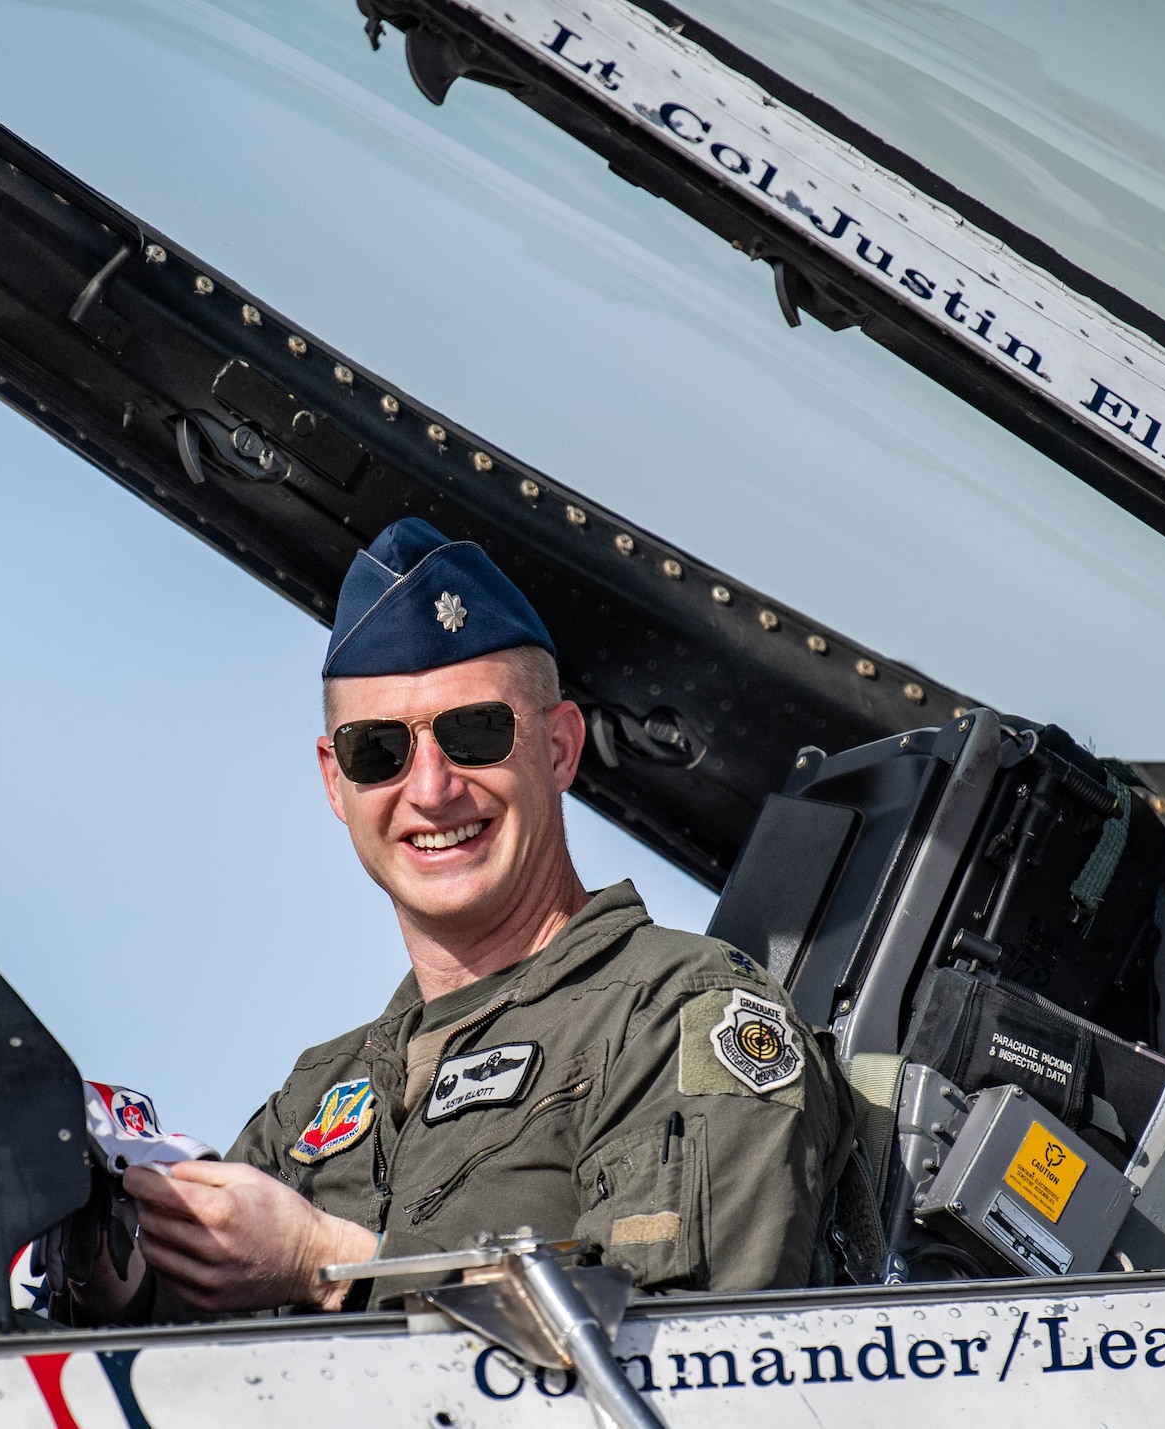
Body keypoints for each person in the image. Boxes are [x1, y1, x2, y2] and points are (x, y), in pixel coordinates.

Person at [82, 518, 851, 1320]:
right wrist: (106, 1256)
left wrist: (332, 1263)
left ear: (558, 749)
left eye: (474, 732)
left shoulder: (679, 1017)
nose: (431, 788)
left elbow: (691, 1362)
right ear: (335, 783)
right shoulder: (318, 1092)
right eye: (377, 749)